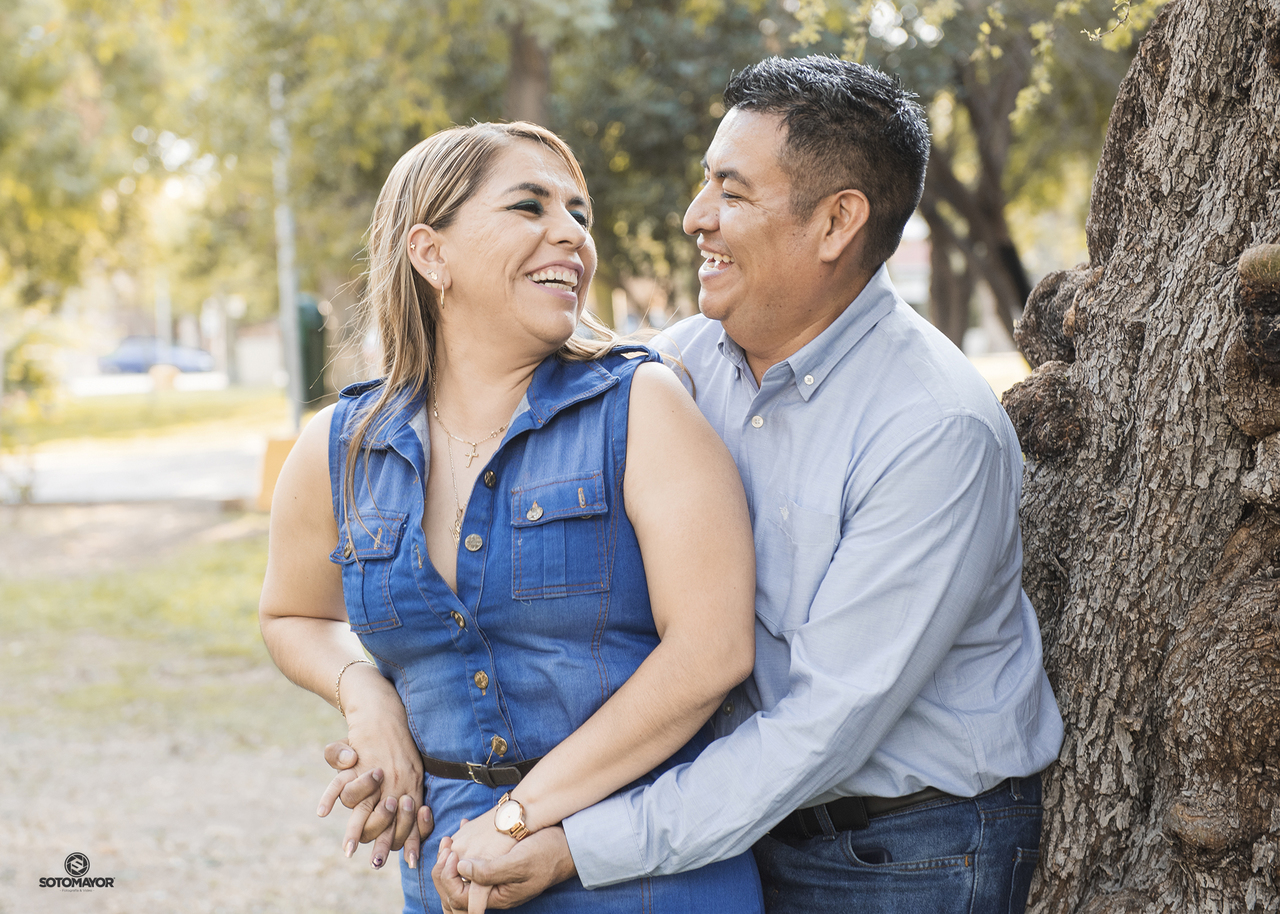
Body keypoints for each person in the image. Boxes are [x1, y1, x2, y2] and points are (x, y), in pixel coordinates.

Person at [375, 55, 1061, 913]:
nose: (695, 216)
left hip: (903, 847)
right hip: (732, 819)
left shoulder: (933, 428)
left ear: (837, 222)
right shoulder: (680, 367)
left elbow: (822, 728)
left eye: (731, 192)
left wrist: (568, 842)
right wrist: (376, 702)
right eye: (706, 183)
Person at [257, 120, 767, 914]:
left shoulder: (644, 406)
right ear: (431, 254)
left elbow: (712, 650)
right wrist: (366, 696)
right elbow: (292, 614)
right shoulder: (340, 447)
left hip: (642, 874)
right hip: (450, 878)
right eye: (530, 207)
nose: (571, 235)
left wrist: (518, 815)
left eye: (578, 214)